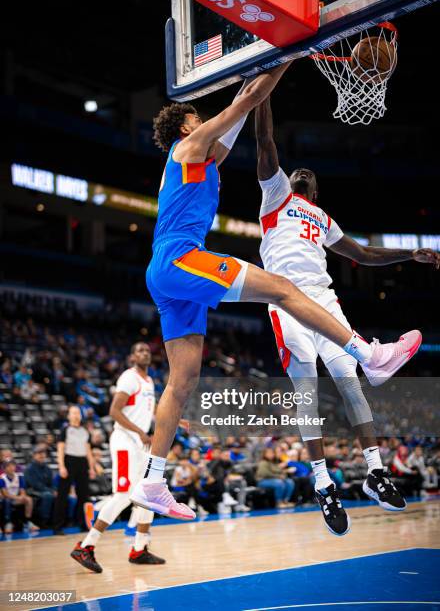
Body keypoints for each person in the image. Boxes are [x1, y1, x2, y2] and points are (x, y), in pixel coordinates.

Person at [129, 63, 423, 521]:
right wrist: (286, 53)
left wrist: (258, 72)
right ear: (186, 125)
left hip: (166, 272)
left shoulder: (203, 159)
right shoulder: (187, 146)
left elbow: (241, 113)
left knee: (182, 380)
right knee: (282, 289)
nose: (204, 122)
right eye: (197, 118)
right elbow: (242, 106)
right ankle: (370, 356)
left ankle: (152, 479)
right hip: (180, 257)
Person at [253, 95, 439, 535]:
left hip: (323, 298)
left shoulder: (322, 217)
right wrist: (261, 91)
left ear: (315, 192)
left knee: (350, 382)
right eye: (298, 171)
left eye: (308, 176)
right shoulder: (275, 195)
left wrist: (408, 254)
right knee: (307, 391)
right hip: (285, 299)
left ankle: (375, 473)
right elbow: (264, 140)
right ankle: (323, 483)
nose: (302, 172)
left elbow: (364, 253)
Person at [71, 342, 165, 573]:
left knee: (149, 493)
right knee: (123, 495)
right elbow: (114, 410)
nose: (144, 353)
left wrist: (175, 420)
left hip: (139, 444)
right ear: (133, 356)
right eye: (140, 351)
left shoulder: (149, 381)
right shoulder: (128, 378)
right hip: (125, 441)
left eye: (147, 351)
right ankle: (86, 547)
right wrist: (140, 432)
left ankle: (139, 549)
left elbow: (150, 410)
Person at [53, 405, 95, 534]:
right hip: (68, 461)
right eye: (73, 413)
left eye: (78, 413)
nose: (76, 415)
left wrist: (91, 467)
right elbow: (60, 449)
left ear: (80, 415)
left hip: (82, 463)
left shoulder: (85, 431)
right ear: (69, 416)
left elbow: (88, 451)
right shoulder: (65, 430)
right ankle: (58, 527)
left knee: (84, 496)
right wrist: (61, 466)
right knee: (62, 495)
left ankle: (83, 524)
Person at [0, 459, 39, 533]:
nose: (11, 467)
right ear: (4, 468)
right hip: (6, 499)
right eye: (8, 466)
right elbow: (5, 494)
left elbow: (22, 490)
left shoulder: (19, 476)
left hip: (15, 498)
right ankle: (8, 523)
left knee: (29, 499)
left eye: (13, 465)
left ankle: (27, 522)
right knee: (7, 501)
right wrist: (18, 497)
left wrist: (22, 496)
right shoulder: (2, 478)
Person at [24, 445, 56, 528]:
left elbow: (51, 483)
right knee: (48, 495)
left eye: (43, 453)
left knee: (59, 496)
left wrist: (54, 490)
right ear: (34, 455)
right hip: (33, 491)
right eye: (39, 453)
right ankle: (43, 521)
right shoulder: (29, 469)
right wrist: (50, 491)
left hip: (46, 490)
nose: (42, 455)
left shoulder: (47, 468)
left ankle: (57, 520)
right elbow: (34, 484)